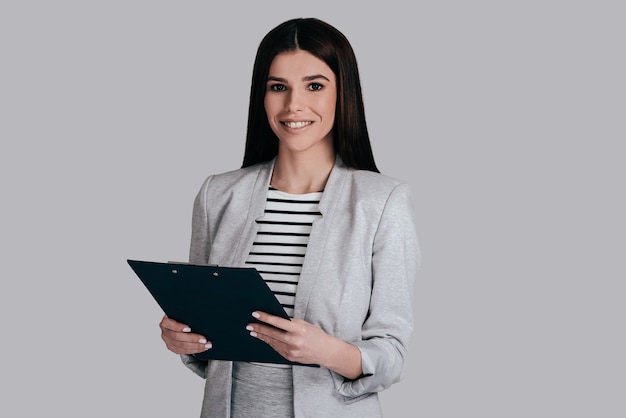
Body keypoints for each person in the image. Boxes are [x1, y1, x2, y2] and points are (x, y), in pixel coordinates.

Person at [159, 17, 420, 418]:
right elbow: (204, 333)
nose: (293, 105)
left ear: (342, 93)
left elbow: (391, 355)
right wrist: (183, 338)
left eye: (314, 86)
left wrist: (326, 351)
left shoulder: (382, 202)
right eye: (278, 87)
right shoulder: (218, 195)